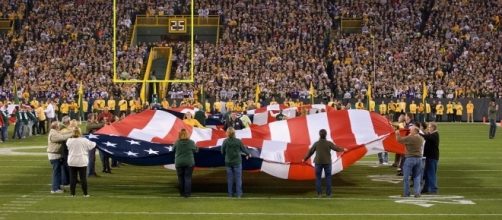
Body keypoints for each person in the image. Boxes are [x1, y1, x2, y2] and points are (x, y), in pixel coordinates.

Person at [303, 129, 347, 197]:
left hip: (318, 162)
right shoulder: (328, 143)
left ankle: (319, 194)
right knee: (328, 178)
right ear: (326, 135)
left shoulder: (316, 143)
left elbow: (310, 152)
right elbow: (336, 148)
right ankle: (328, 194)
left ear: (319, 135)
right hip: (327, 162)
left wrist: (304, 159)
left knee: (318, 178)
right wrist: (343, 149)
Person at [66, 127, 96, 197]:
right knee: (83, 178)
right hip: (82, 161)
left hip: (72, 161)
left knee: (73, 178)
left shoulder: (69, 140)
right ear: (80, 132)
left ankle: (72, 194)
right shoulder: (84, 140)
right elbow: (93, 145)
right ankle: (85, 193)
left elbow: (68, 147)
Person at [221, 127, 251, 198]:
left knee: (230, 179)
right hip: (237, 162)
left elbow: (222, 151)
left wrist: (227, 154)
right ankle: (239, 194)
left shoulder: (225, 141)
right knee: (238, 179)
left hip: (228, 162)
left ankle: (230, 194)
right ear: (234, 133)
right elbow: (244, 149)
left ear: (227, 133)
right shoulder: (238, 141)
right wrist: (248, 154)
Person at [396, 127, 425, 197]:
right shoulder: (421, 138)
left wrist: (397, 134)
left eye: (411, 130)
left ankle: (406, 193)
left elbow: (399, 140)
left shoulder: (410, 138)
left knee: (406, 177)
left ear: (415, 131)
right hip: (419, 159)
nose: (410, 131)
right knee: (417, 176)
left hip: (410, 158)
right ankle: (417, 193)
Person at [47, 121, 72, 193]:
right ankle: (54, 189)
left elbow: (63, 134)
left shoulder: (54, 132)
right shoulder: (53, 134)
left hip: (56, 154)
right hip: (54, 155)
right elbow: (62, 137)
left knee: (58, 171)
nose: (60, 127)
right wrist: (72, 133)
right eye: (58, 126)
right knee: (56, 172)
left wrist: (72, 131)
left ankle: (57, 186)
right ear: (56, 127)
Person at [174, 129, 198, 198]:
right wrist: (196, 147)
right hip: (189, 163)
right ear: (188, 134)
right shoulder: (191, 142)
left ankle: (182, 193)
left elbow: (173, 149)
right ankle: (187, 194)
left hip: (179, 163)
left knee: (180, 178)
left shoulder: (177, 142)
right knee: (188, 178)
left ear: (179, 134)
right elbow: (196, 150)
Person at [420, 123, 440, 194]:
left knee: (431, 173)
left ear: (433, 128)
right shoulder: (432, 134)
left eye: (429, 127)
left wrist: (420, 134)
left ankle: (433, 189)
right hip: (430, 156)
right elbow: (427, 135)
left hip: (432, 157)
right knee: (427, 173)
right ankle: (426, 188)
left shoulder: (435, 135)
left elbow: (427, 137)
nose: (428, 128)